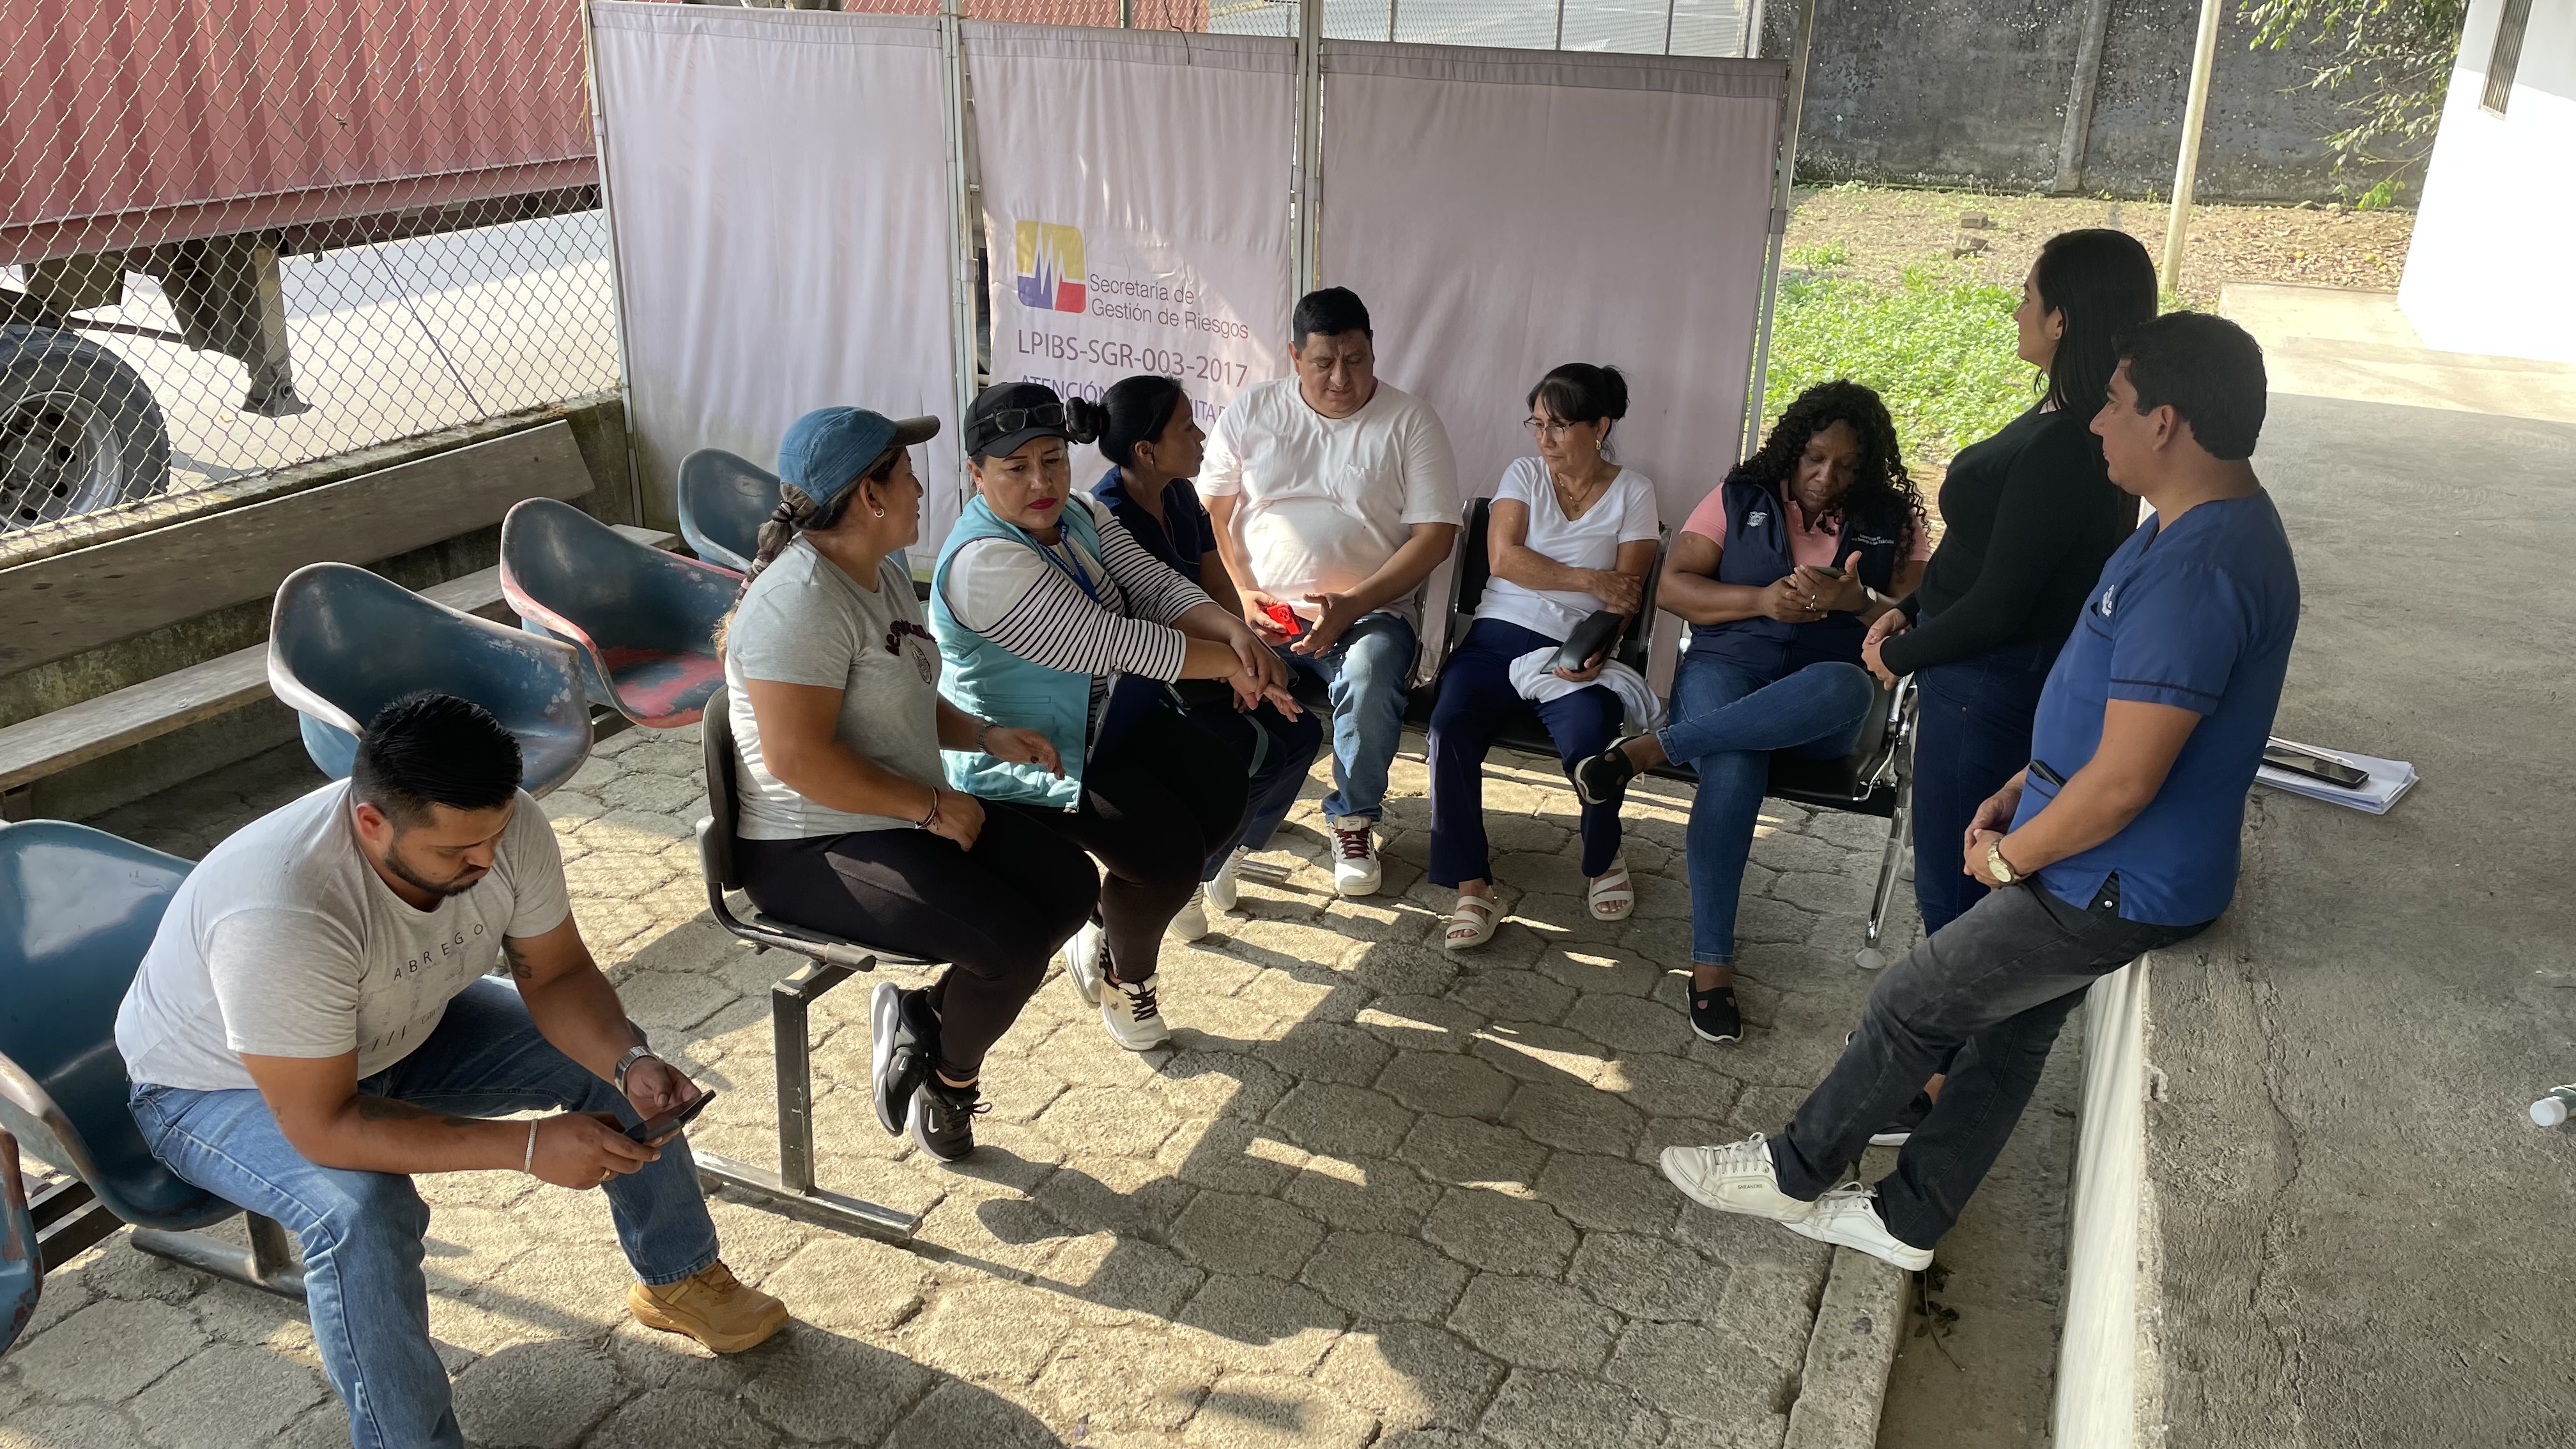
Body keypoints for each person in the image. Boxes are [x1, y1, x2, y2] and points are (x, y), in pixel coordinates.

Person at [1660, 312, 2296, 1270]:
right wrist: (2028, 780)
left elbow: (2128, 779)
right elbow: (2121, 717)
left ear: (2164, 421)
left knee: (1913, 1001)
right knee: (2008, 1035)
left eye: (2114, 405)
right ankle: (1906, 1220)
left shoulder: (2201, 570)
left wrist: (2010, 857)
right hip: (2096, 852)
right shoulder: (2185, 529)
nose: (2096, 423)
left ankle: (1792, 1173)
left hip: (2113, 877)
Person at [114, 693, 790, 1449]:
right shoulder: (283, 909)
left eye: (496, 835)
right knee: (363, 1213)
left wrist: (627, 1061)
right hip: (215, 1090)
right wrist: (529, 1149)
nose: (487, 861)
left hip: (397, 1030)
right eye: (457, 852)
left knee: (612, 1064)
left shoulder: (503, 823)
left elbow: (559, 976)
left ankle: (678, 1277)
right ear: (371, 822)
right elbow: (324, 1123)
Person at [719, 406, 1097, 1163]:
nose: (922, 489)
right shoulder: (801, 601)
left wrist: (985, 735)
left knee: (1069, 884)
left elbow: (905, 691)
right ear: (871, 495)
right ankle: (950, 1084)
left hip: (894, 812)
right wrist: (925, 806)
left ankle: (923, 1022)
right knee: (1009, 944)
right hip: (811, 845)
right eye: (907, 474)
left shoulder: (881, 571)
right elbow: (798, 759)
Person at [934, 381, 1294, 1052]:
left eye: (1053, 459)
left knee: (1223, 787)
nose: (1042, 482)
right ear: (976, 475)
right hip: (1024, 753)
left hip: (1103, 722)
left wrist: (1234, 632)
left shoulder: (1078, 512)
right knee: (1164, 857)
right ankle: (1128, 981)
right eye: (1016, 468)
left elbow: (1151, 583)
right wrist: (1233, 663)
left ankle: (1106, 919)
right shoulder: (984, 562)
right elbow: (1112, 642)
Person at [1574, 381, 1929, 1044]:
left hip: (1822, 704)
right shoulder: (1739, 498)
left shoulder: (1894, 522)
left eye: (1846, 465)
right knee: (1735, 760)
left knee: (1848, 687)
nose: (1827, 477)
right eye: (1816, 458)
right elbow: (1675, 589)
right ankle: (1712, 966)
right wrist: (1762, 602)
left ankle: (1654, 748)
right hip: (1726, 670)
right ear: (1794, 451)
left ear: (1867, 465)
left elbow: (1918, 627)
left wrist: (1858, 604)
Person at [1862, 229, 2159, 939]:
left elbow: (2002, 604)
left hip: (1987, 686)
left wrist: (1896, 656)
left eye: (2028, 296)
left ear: (2061, 319)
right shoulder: (2062, 415)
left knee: (1955, 884)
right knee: (1952, 875)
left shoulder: (2065, 446)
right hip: (1972, 668)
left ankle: (1944, 1010)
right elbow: (1992, 550)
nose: (2017, 310)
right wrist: (1914, 607)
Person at [1200, 286, 1462, 897]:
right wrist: (1240, 594)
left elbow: (1435, 537)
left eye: (1355, 360)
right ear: (1295, 356)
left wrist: (1353, 605)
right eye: (1323, 362)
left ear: (1373, 350)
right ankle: (1228, 833)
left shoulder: (1410, 421)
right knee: (1224, 693)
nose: (1341, 378)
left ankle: (1353, 820)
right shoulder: (1254, 410)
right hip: (1262, 611)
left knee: (1368, 677)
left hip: (1371, 611)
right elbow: (1212, 513)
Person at [1427, 364, 1660, 948]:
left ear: (1600, 427)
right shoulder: (1524, 474)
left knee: (1592, 734)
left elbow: (1627, 596)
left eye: (1559, 425)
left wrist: (1598, 645)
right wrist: (1591, 579)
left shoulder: (1634, 491)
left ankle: (1603, 856)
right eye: (1536, 424)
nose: (1544, 438)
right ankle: (1472, 886)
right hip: (1495, 637)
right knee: (1449, 726)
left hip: (1576, 644)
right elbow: (1504, 560)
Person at [1091, 373, 1326, 940]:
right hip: (1158, 672)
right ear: (1146, 451)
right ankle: (1185, 881)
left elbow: (1214, 581)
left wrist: (1247, 652)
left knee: (1304, 733)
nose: (1201, 437)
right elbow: (1154, 622)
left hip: (1214, 656)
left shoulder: (1177, 493)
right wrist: (1239, 670)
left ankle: (1226, 858)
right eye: (1186, 428)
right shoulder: (1110, 514)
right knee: (1256, 752)